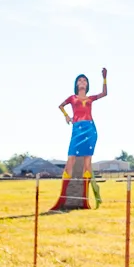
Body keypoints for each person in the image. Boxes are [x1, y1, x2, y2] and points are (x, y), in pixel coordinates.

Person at [54, 69, 107, 210]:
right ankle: (62, 199)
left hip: (90, 129)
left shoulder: (90, 99)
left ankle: (85, 201)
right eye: (80, 80)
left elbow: (104, 94)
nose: (82, 82)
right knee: (70, 160)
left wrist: (104, 78)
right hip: (77, 129)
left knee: (87, 163)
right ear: (76, 84)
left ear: (87, 84)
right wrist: (66, 116)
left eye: (84, 80)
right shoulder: (72, 98)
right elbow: (60, 106)